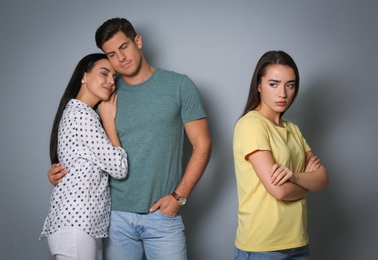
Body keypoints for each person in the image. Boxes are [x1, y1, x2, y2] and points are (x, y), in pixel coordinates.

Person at [48, 18, 212, 260]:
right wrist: (61, 171)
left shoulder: (179, 86)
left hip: (162, 216)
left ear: (138, 41)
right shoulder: (105, 93)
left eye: (123, 47)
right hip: (114, 217)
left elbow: (203, 144)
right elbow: (82, 144)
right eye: (111, 54)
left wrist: (179, 196)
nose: (120, 58)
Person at [233, 50, 329, 259]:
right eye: (273, 84)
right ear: (258, 85)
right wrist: (307, 181)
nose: (283, 94)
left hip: (298, 243)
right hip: (263, 247)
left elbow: (322, 178)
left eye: (290, 85)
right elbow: (280, 191)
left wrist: (294, 177)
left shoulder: (292, 129)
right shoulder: (251, 125)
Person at [40, 53, 128, 260]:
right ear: (83, 76)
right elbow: (119, 167)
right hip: (75, 226)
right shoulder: (81, 115)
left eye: (114, 77)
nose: (110, 81)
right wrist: (109, 122)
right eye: (104, 73)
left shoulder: (82, 112)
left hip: (84, 225)